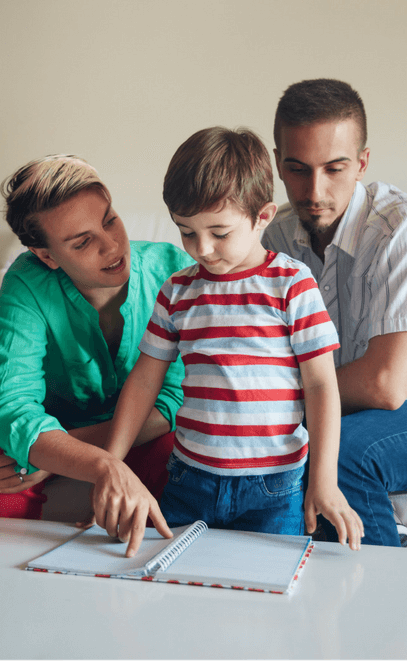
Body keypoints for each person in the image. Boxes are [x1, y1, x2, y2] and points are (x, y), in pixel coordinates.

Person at [103, 127, 364, 550]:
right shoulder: (176, 291)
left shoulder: (292, 284)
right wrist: (109, 463)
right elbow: (144, 380)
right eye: (187, 231)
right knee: (172, 586)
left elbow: (320, 385)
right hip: (190, 480)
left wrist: (324, 481)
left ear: (262, 216)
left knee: (265, 599)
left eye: (219, 232)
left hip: (273, 488)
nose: (201, 248)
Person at [261, 78, 407, 547]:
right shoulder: (273, 239)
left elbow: (385, 385)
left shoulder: (403, 226)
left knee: (341, 452)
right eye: (297, 169)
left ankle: (377, 599)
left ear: (362, 164)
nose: (314, 190)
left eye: (334, 168)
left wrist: (267, 399)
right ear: (278, 163)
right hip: (350, 407)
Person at [0, 154, 194, 555]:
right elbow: (10, 403)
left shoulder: (175, 271)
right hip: (44, 420)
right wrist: (97, 462)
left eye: (109, 220)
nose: (111, 245)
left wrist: (61, 454)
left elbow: (174, 400)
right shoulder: (26, 283)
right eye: (83, 241)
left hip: (132, 426)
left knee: (176, 459)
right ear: (48, 256)